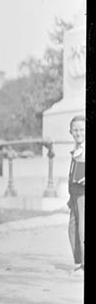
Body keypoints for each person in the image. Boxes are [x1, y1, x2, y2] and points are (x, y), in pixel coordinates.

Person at [67, 114, 85, 272]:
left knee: (82, 228)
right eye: (75, 130)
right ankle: (79, 261)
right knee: (72, 228)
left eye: (81, 130)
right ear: (71, 132)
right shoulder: (77, 150)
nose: (78, 133)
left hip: (82, 192)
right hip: (74, 193)